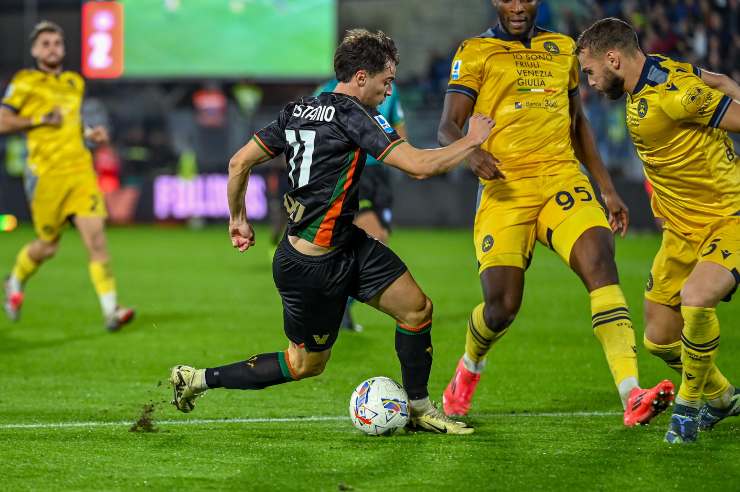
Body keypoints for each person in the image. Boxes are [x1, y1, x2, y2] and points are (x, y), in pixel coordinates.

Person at [169, 29, 496, 435]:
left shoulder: (298, 109)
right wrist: (473, 140)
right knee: (305, 364)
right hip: (312, 267)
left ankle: (420, 407)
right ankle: (197, 379)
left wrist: (237, 219)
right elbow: (417, 165)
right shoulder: (355, 114)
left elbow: (239, 163)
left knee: (416, 309)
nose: (389, 89)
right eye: (386, 80)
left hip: (347, 244)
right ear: (362, 77)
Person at [437, 0, 673, 426]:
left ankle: (631, 392)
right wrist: (471, 156)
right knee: (501, 307)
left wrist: (607, 188)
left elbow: (578, 122)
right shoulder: (474, 51)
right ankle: (468, 369)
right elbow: (447, 126)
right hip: (505, 187)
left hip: (562, 177)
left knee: (601, 263)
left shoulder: (562, 48)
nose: (517, 6)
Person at [576, 17, 740, 443]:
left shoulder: (675, 93)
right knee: (658, 337)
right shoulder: (654, 75)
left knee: (697, 298)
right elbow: (720, 78)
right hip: (682, 231)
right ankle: (723, 399)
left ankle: (687, 409)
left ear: (613, 58)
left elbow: (724, 97)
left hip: (729, 216)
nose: (589, 82)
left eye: (590, 71)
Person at [0, 21, 134, 331]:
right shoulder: (25, 81)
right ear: (34, 51)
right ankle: (16, 279)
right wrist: (39, 118)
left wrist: (91, 134)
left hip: (80, 172)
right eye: (45, 43)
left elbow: (71, 124)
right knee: (48, 245)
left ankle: (111, 310)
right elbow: (3, 120)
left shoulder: (75, 82)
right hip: (46, 176)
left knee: (96, 239)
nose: (52, 48)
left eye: (57, 43)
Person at [315, 78, 406, 331]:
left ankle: (341, 302)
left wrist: (405, 155)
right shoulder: (329, 89)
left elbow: (398, 125)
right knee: (372, 236)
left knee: (382, 238)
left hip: (381, 175)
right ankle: (335, 302)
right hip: (357, 170)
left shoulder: (390, 89)